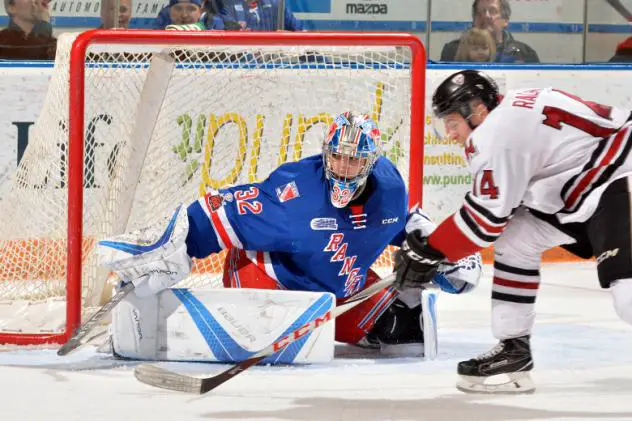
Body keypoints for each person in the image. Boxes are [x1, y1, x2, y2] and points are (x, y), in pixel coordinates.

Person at [98, 112, 482, 356]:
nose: (344, 168)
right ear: (326, 153)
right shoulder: (294, 191)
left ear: (372, 162)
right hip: (270, 277)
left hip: (337, 289)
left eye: (355, 160)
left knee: (406, 338)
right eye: (337, 156)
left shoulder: (390, 188)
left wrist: (448, 252)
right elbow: (218, 213)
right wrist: (175, 244)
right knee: (264, 340)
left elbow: (408, 224)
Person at [394, 70, 632, 393]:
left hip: (618, 174)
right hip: (581, 189)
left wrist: (431, 250)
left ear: (476, 110)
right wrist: (434, 249)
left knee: (627, 297)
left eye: (451, 123)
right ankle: (514, 351)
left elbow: (484, 223)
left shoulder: (495, 133)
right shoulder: (506, 116)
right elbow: (502, 214)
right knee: (516, 239)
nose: (449, 134)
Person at [439, 0, 539, 63]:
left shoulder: (524, 53)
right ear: (474, 19)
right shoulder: (453, 50)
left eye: (492, 11)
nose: (486, 16)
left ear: (505, 20)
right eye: (480, 11)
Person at [220, 0, 303, 31]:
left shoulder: (275, 4)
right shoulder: (228, 6)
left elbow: (297, 28)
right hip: (242, 64)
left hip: (271, 62)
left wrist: (284, 35)